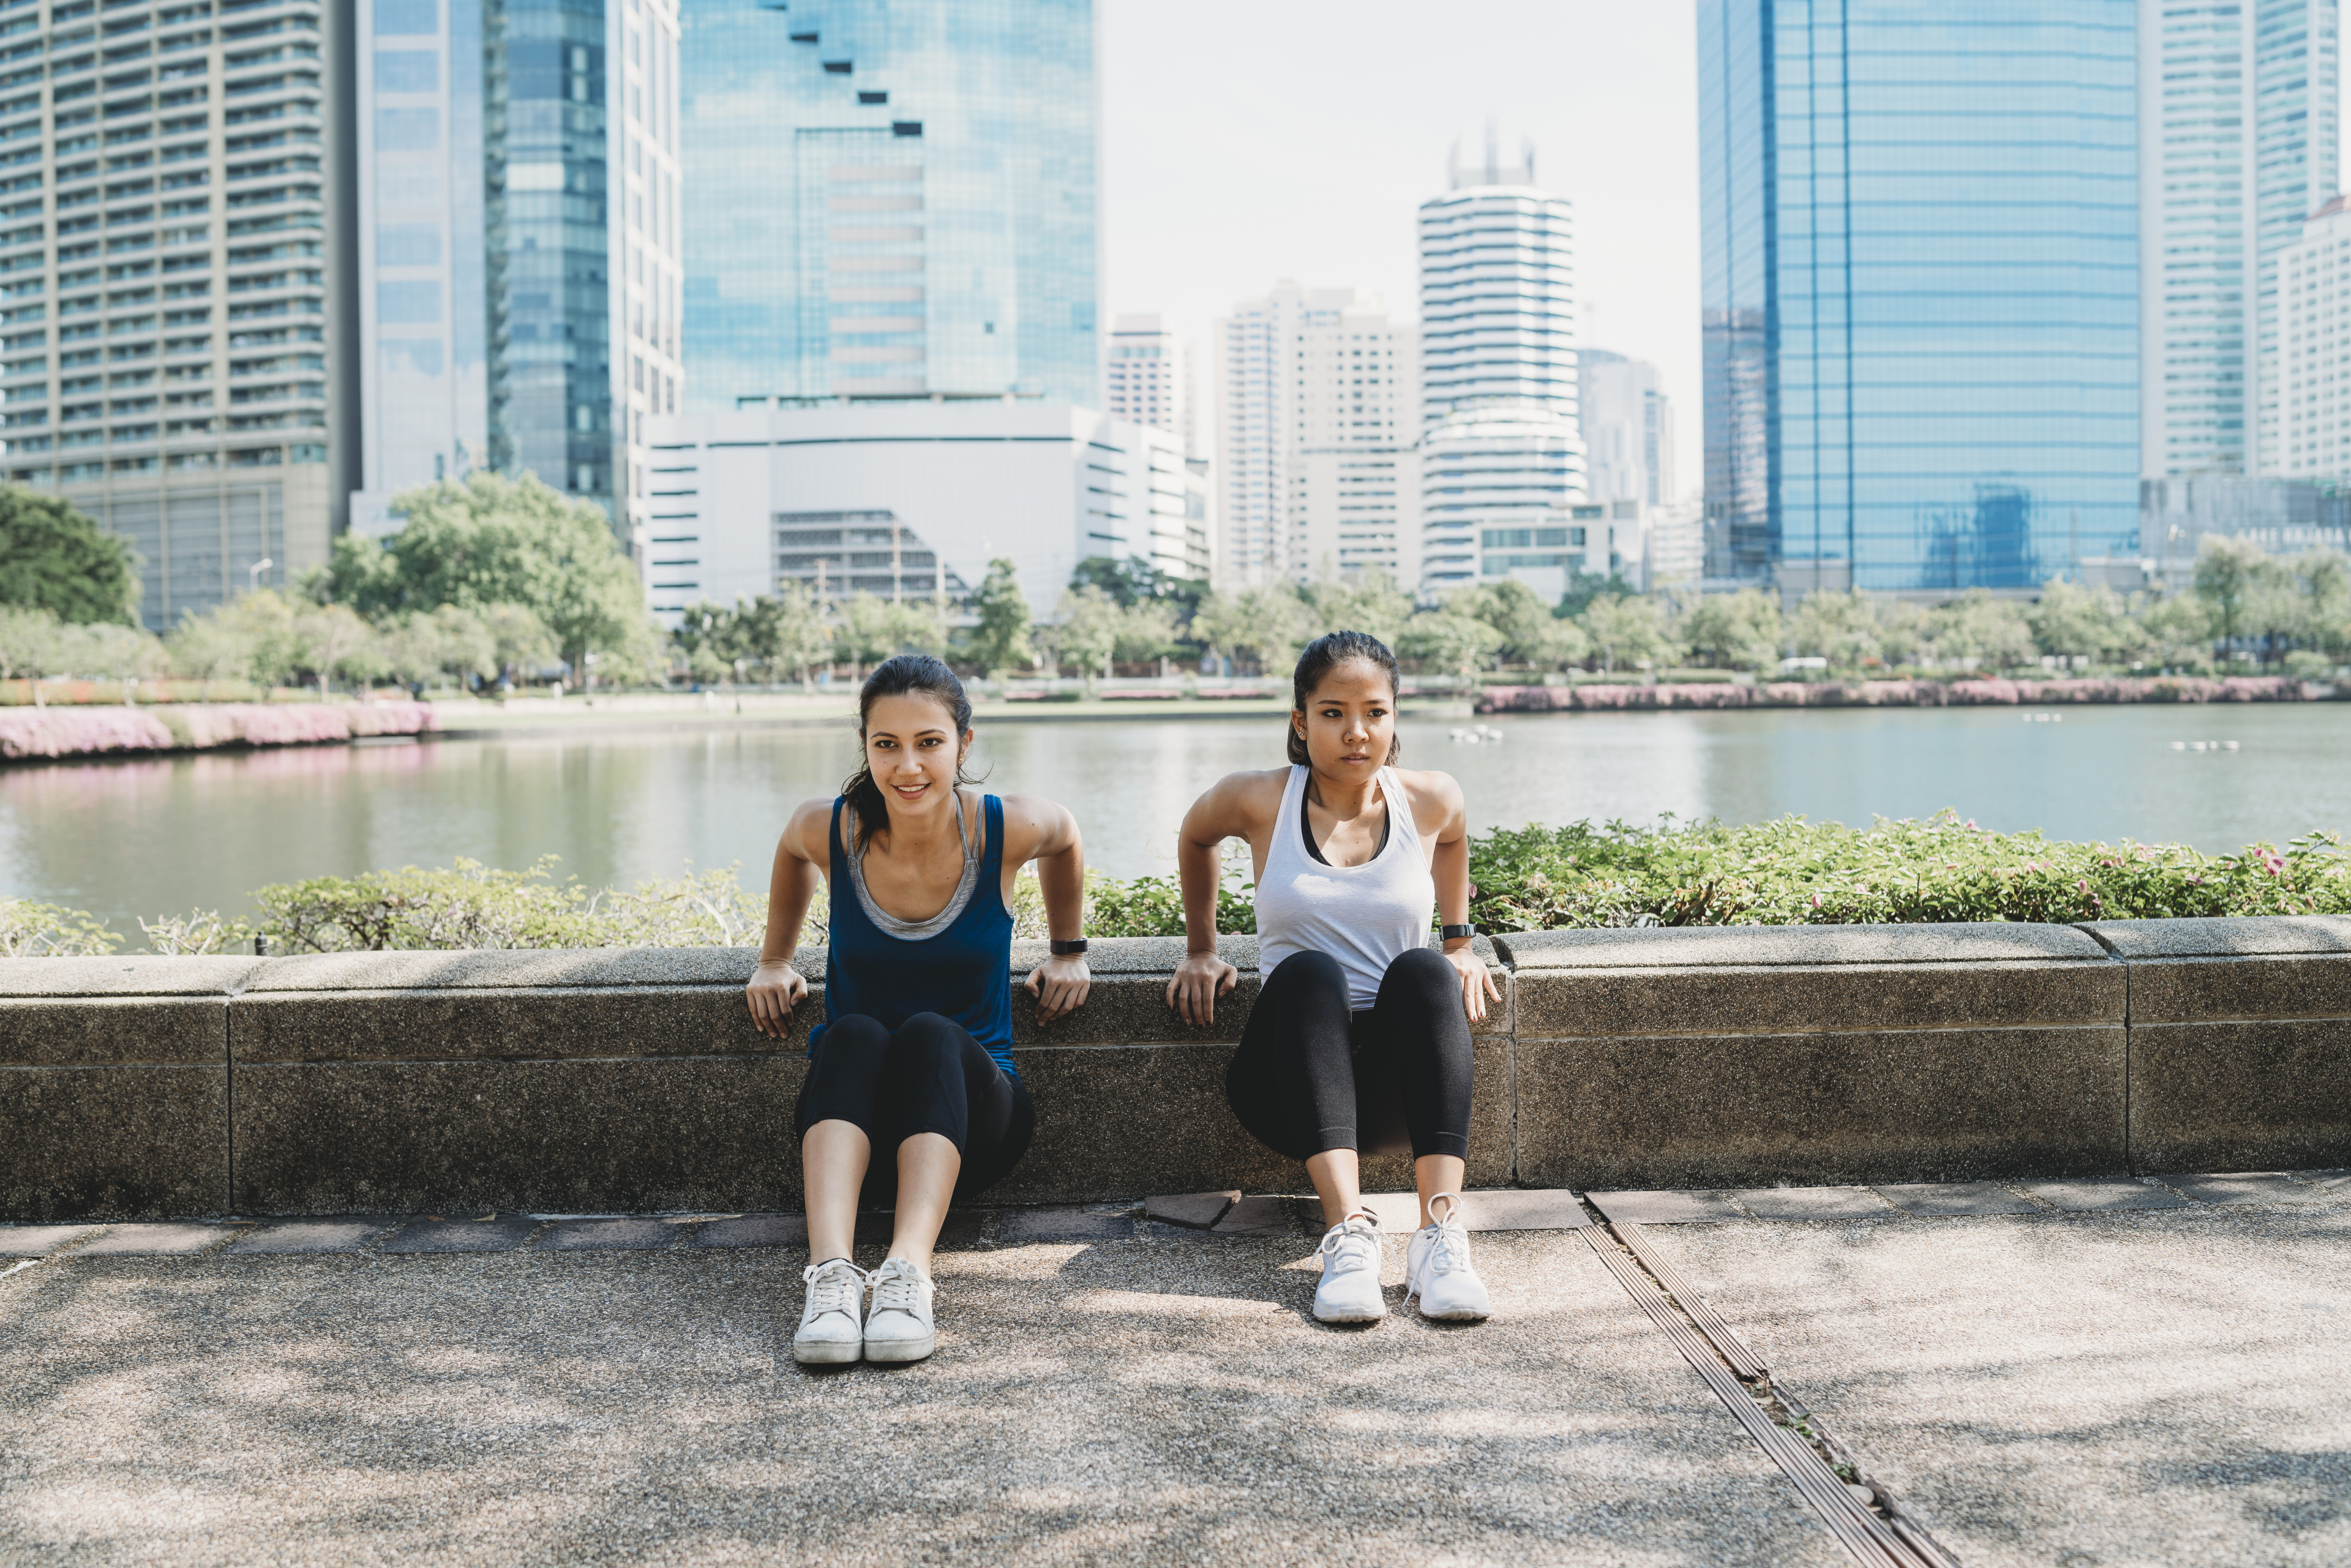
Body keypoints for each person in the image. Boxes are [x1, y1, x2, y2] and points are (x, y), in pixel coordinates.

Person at [746, 654, 1090, 1365]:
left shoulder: (1003, 829)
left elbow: (1065, 834)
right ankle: (833, 1278)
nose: (908, 765)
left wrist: (1068, 947)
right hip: (854, 1139)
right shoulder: (832, 829)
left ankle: (908, 1274)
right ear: (866, 746)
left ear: (964, 744)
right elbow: (789, 848)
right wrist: (775, 960)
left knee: (932, 1033)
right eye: (887, 744)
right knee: (851, 1034)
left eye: (929, 742)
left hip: (974, 1131)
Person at [1166, 630, 1498, 1326]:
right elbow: (1195, 834)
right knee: (1309, 972)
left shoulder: (1430, 797)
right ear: (1300, 720)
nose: (1356, 731)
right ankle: (1348, 1234)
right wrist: (1202, 946)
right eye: (1333, 712)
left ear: (1395, 717)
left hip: (1393, 1094)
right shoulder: (1259, 798)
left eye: (1375, 712)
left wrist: (1460, 939)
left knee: (1424, 970)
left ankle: (1438, 1236)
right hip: (1287, 1085)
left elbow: (1457, 833)